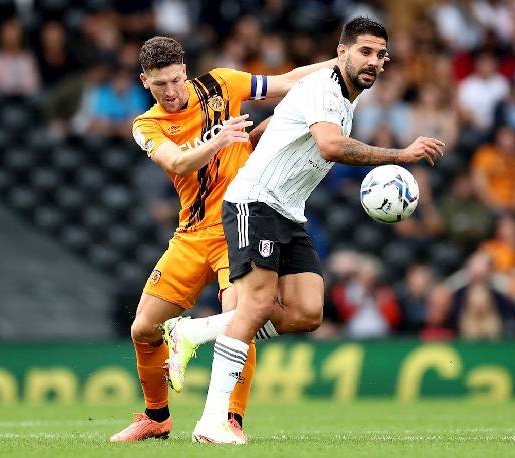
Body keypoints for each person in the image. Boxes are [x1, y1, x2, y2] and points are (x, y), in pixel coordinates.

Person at [164, 17, 443, 444]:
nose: (372, 61)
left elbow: (271, 127)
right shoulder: (325, 88)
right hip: (256, 203)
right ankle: (212, 421)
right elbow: (331, 146)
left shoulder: (343, 98)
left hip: (289, 212)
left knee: (307, 313)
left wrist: (256, 142)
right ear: (342, 51)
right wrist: (401, 154)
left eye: (379, 55)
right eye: (364, 51)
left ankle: (194, 331)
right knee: (256, 305)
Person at [109, 36, 337, 443]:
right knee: (143, 328)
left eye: (177, 79)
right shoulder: (147, 124)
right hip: (191, 235)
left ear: (186, 70)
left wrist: (339, 64)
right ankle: (156, 417)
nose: (173, 91)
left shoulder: (221, 84)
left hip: (239, 224)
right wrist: (219, 139)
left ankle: (231, 419)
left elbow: (287, 81)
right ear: (145, 81)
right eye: (161, 84)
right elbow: (177, 161)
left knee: (242, 316)